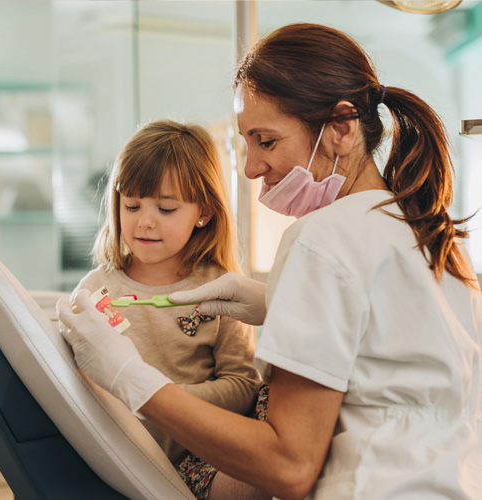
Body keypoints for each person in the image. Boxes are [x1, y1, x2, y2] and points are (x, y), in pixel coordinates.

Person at [58, 23, 482, 500]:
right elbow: (396, 351)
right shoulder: (433, 232)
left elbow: (288, 466)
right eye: (246, 143)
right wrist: (272, 302)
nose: (250, 167)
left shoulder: (322, 239)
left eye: (267, 141)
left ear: (341, 128)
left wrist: (126, 375)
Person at [65, 119, 263, 499]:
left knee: (253, 483)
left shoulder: (222, 292)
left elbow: (243, 388)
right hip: (115, 459)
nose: (145, 221)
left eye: (167, 208)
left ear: (203, 213)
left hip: (197, 459)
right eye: (132, 204)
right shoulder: (94, 290)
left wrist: (161, 398)